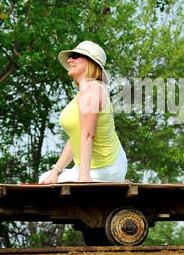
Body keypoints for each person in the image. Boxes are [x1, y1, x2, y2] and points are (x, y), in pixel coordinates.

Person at [39, 40, 128, 183]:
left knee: (45, 184)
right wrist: (56, 170)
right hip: (89, 166)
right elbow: (77, 136)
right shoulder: (84, 92)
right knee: (46, 178)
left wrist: (84, 177)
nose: (69, 60)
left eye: (75, 56)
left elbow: (88, 135)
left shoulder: (93, 90)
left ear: (90, 62)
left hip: (105, 166)